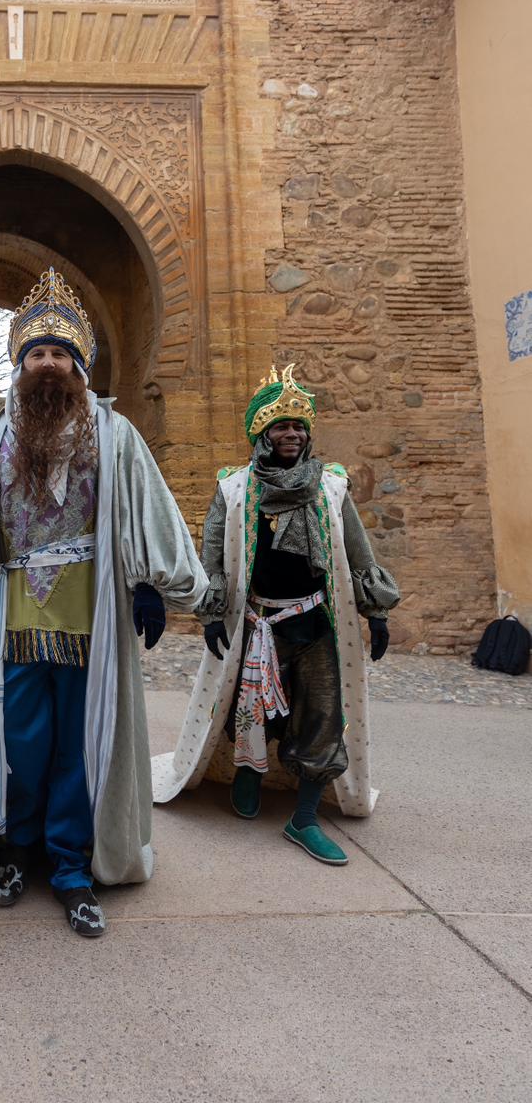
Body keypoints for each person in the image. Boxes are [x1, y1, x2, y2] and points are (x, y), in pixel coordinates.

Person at [0, 268, 206, 937]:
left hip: (92, 620)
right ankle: (16, 848)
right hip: (12, 615)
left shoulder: (115, 436)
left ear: (79, 366)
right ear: (20, 366)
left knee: (80, 743)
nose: (48, 366)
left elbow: (146, 514)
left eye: (59, 355)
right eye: (36, 355)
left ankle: (71, 863)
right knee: (19, 738)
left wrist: (151, 586)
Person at [152, 364, 400, 863]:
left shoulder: (331, 484)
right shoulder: (234, 488)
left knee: (323, 718)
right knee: (253, 710)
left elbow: (358, 549)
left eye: (299, 426)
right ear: (261, 433)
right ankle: (250, 771)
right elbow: (215, 557)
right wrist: (211, 614)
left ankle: (304, 819)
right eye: (281, 426)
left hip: (315, 624)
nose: (292, 434)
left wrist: (377, 613)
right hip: (255, 623)